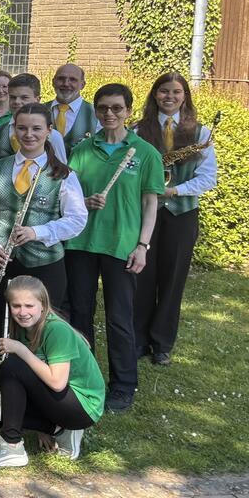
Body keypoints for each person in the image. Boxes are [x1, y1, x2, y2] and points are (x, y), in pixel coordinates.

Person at [0, 102, 86, 401]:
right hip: (1, 260)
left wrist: (39, 232)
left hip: (44, 263)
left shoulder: (62, 174)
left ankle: (41, 393)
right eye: (22, 128)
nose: (29, 134)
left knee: (41, 328)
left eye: (36, 128)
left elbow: (76, 220)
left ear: (49, 131)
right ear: (14, 129)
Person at [65, 84, 164, 414]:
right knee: (80, 314)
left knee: (119, 318)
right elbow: (67, 196)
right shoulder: (81, 150)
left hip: (121, 246)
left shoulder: (145, 153)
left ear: (128, 111)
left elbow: (151, 203)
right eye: (103, 108)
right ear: (96, 110)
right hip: (81, 243)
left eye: (117, 108)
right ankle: (84, 376)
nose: (109, 113)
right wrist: (83, 201)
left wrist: (143, 245)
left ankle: (123, 386)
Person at [0, 275, 105, 466]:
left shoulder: (57, 330)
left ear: (43, 304)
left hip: (81, 407)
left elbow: (57, 383)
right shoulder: (22, 328)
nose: (22, 312)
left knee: (13, 364)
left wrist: (20, 350)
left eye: (29, 306)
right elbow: (29, 382)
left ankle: (11, 445)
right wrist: (42, 429)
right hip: (55, 399)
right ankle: (56, 429)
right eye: (16, 306)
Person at [133, 73, 218, 365]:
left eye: (176, 92)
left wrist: (174, 190)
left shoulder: (201, 134)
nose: (169, 96)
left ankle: (162, 343)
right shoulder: (137, 129)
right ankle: (138, 339)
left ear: (185, 96)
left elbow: (208, 178)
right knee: (141, 276)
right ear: (154, 94)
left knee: (173, 279)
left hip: (182, 214)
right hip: (144, 212)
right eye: (163, 91)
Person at [0, 73, 67, 162]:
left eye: (24, 97)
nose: (17, 102)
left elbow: (62, 172)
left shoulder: (53, 136)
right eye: (13, 97)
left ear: (37, 100)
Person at [50, 63, 98, 155]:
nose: (66, 84)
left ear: (82, 85)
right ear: (53, 82)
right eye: (61, 79)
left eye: (73, 80)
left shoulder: (96, 114)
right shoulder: (39, 111)